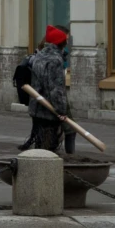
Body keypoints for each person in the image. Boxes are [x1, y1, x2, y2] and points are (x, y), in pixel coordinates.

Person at [24, 25, 75, 154]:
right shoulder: (55, 60)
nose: (67, 43)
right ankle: (47, 170)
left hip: (38, 108)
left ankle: (39, 168)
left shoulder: (40, 56)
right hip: (49, 110)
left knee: (41, 145)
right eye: (66, 40)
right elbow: (55, 89)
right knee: (48, 146)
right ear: (61, 42)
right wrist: (61, 110)